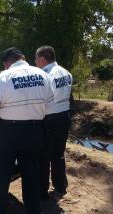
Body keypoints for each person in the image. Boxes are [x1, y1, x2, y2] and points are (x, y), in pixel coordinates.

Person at [0, 47, 53, 214]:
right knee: (31, 174)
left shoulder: (4, 77)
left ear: (7, 62)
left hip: (9, 133)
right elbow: (50, 103)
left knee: (3, 176)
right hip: (34, 132)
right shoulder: (43, 75)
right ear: (23, 58)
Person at [35, 46, 72, 200]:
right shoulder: (66, 72)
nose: (35, 62)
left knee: (44, 157)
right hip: (64, 117)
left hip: (49, 119)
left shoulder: (45, 75)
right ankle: (60, 186)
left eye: (36, 59)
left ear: (43, 59)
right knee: (58, 154)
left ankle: (42, 192)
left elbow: (41, 99)